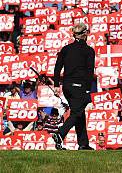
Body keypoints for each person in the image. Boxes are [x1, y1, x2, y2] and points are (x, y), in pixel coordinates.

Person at [52, 23, 95, 151]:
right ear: (85, 34)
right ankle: (60, 134)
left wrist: (55, 85)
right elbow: (89, 72)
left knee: (79, 112)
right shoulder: (89, 51)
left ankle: (83, 144)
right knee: (77, 112)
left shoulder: (66, 49)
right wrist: (88, 90)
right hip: (80, 86)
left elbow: (57, 67)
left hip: (67, 86)